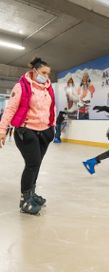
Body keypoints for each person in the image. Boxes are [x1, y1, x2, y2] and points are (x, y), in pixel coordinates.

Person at [0, 58, 55, 215]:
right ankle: (25, 200)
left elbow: (52, 108)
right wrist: (2, 130)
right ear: (35, 71)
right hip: (26, 131)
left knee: (36, 165)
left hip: (45, 131)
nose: (46, 76)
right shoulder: (22, 86)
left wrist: (52, 128)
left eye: (48, 74)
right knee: (33, 164)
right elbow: (10, 109)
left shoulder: (48, 88)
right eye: (44, 73)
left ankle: (32, 194)